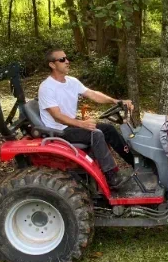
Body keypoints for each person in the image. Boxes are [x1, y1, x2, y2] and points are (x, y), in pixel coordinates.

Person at [38, 49, 135, 192]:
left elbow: (93, 94)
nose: (67, 61)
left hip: (71, 124)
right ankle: (111, 176)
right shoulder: (47, 87)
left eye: (67, 58)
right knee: (95, 133)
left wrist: (116, 101)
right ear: (52, 65)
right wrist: (81, 124)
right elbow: (57, 116)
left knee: (108, 129)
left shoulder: (71, 81)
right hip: (58, 130)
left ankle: (135, 163)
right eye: (62, 60)